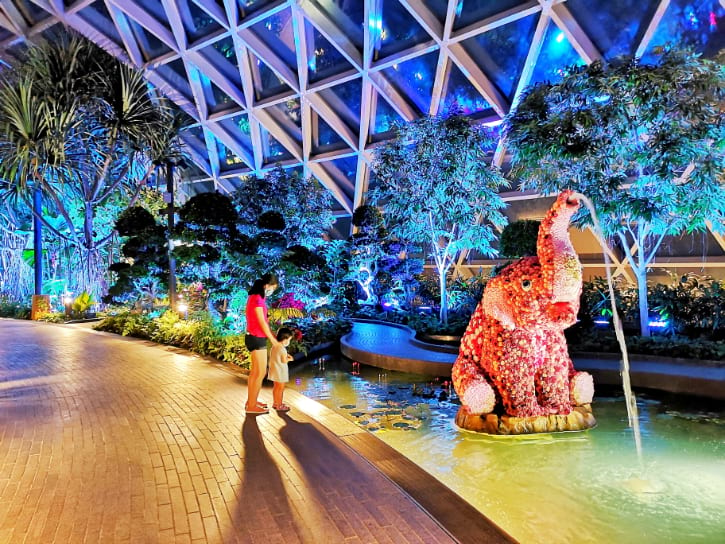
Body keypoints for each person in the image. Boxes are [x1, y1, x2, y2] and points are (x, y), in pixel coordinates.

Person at [244, 272, 280, 415]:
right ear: (267, 285)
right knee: (260, 373)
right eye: (273, 288)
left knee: (255, 373)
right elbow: (262, 322)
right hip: (257, 338)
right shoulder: (258, 299)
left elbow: (263, 321)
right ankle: (252, 405)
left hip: (252, 337)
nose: (272, 291)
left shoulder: (254, 297)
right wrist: (272, 340)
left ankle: (251, 401)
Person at [268, 328, 294, 412]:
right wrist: (290, 359)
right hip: (280, 372)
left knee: (276, 387)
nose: (289, 342)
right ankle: (279, 405)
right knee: (281, 389)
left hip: (274, 371)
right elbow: (284, 360)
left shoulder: (275, 346)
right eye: (289, 340)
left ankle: (275, 403)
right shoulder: (283, 349)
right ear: (285, 339)